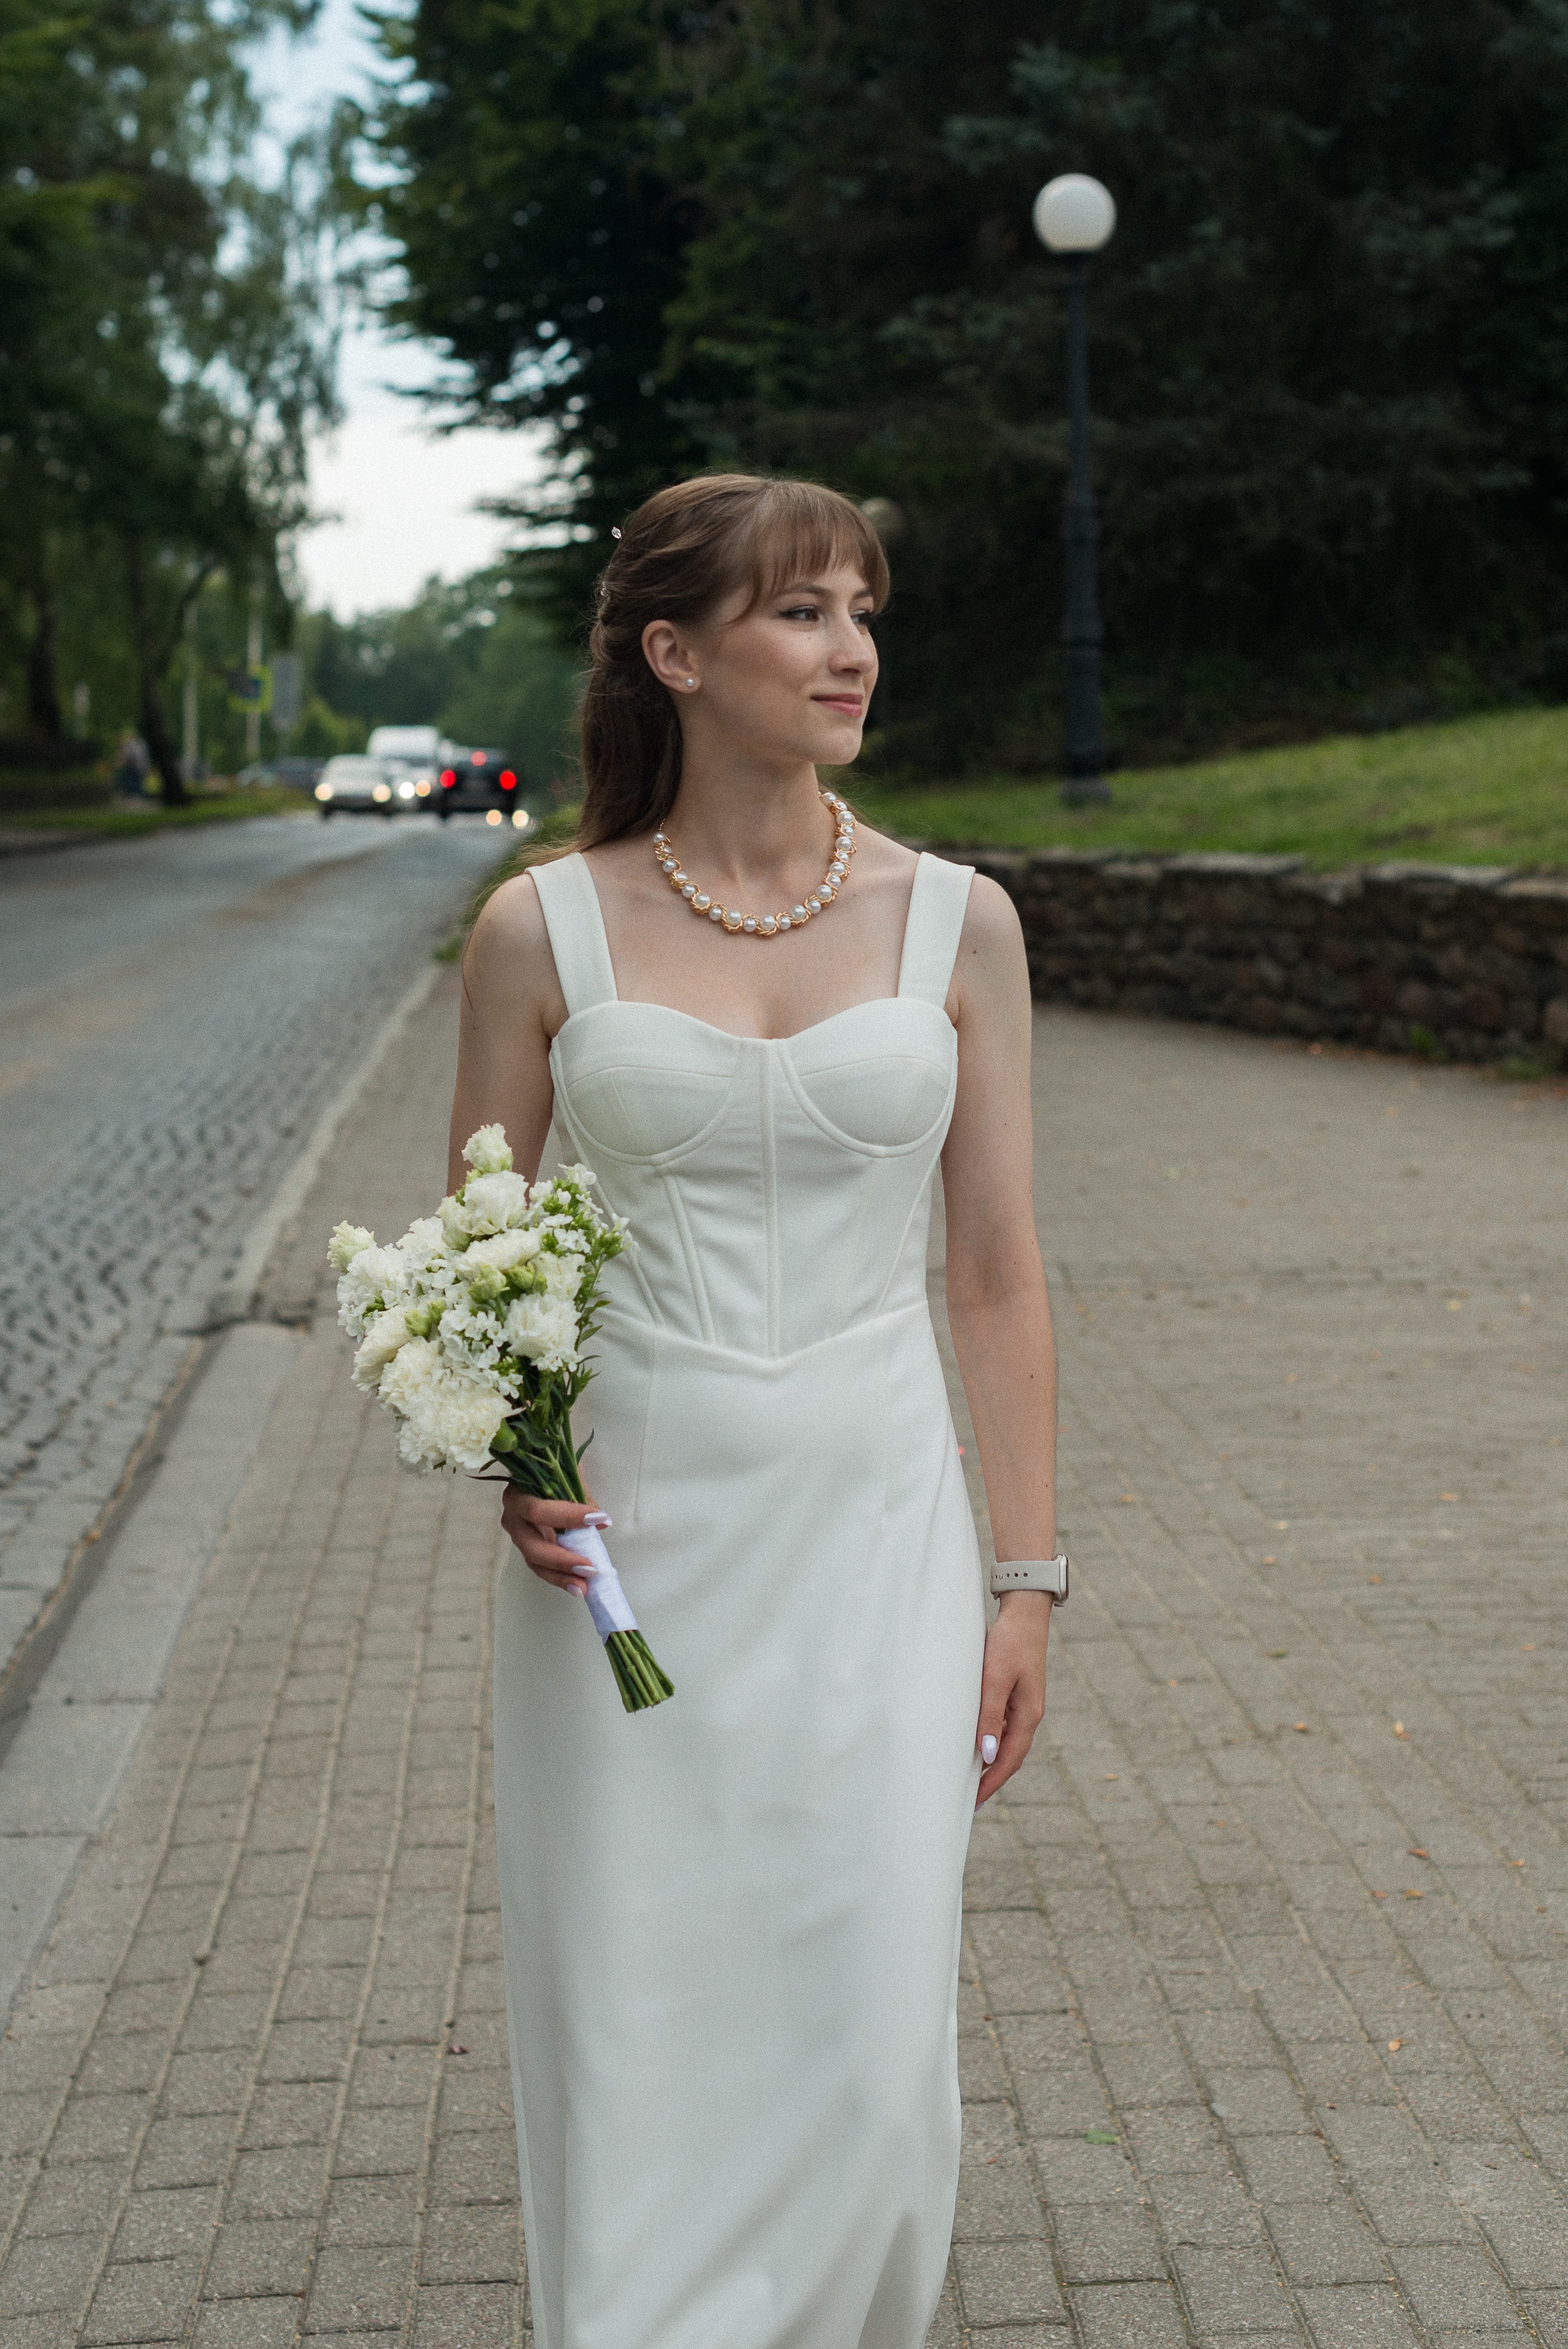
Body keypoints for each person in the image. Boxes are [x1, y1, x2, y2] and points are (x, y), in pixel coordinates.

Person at [449, 473, 1060, 2349]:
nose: (853, 646)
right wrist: (513, 1460)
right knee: (640, 2026)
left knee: (877, 2041)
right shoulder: (540, 932)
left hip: (884, 1534)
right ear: (674, 650)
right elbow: (484, 1253)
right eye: (802, 611)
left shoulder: (960, 924)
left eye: (863, 607)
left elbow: (997, 1268)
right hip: (638, 1557)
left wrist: (1028, 1573)